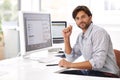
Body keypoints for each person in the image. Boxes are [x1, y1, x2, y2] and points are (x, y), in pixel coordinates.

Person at [58, 5, 120, 78]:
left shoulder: (98, 33)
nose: (80, 20)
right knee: (64, 75)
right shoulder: (81, 36)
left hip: (107, 74)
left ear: (90, 17)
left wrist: (70, 65)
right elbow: (71, 57)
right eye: (77, 18)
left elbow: (98, 63)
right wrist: (66, 38)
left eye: (83, 17)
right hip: (94, 72)